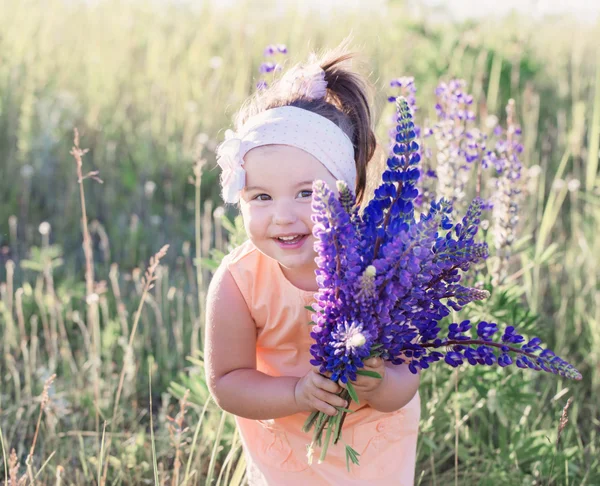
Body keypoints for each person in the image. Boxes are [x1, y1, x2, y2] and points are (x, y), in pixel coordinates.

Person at [204, 41, 421, 485]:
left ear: (350, 190)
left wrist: (377, 385)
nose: (283, 215)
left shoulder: (385, 265)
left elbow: (407, 378)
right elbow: (227, 381)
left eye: (306, 193)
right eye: (260, 197)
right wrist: (298, 392)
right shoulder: (239, 281)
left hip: (372, 446)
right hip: (286, 442)